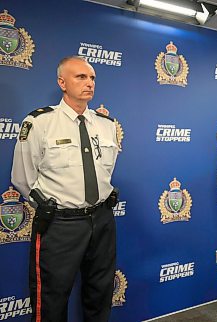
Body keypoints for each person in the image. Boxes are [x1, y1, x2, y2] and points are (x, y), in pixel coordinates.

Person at [11, 56, 120, 322]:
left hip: (102, 220)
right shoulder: (39, 123)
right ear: (62, 82)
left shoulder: (106, 125)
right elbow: (23, 177)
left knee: (100, 292)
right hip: (60, 224)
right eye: (80, 77)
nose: (89, 83)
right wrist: (50, 206)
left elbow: (106, 171)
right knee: (51, 297)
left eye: (92, 77)